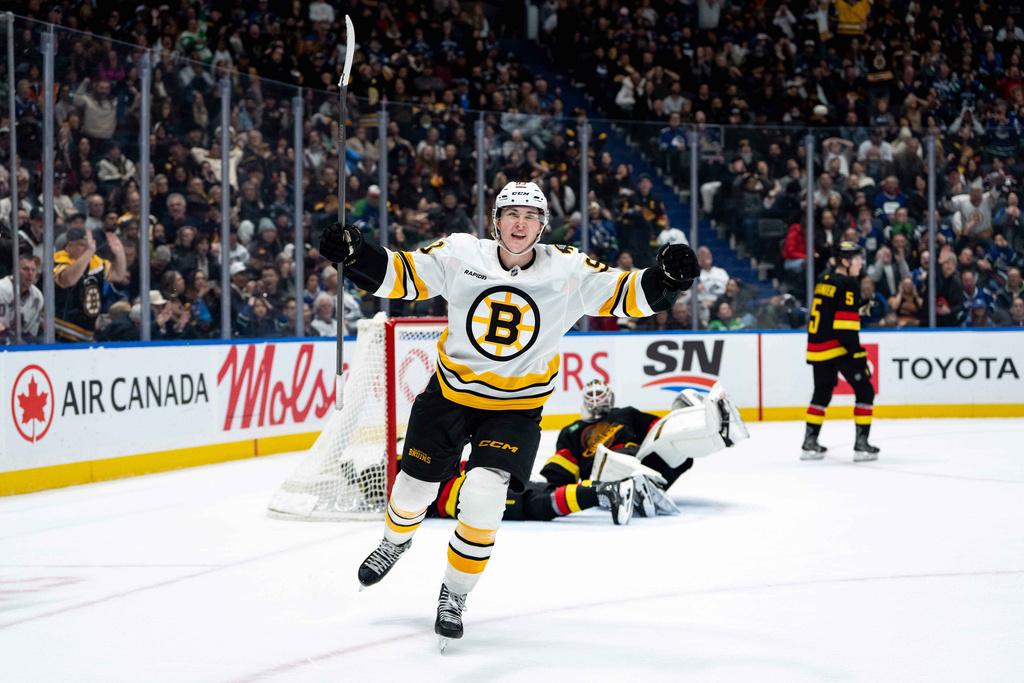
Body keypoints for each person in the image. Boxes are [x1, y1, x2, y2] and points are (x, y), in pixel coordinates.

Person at [318, 181, 698, 650]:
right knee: (412, 487)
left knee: (482, 494)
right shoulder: (461, 254)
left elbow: (627, 294)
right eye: (511, 213)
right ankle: (397, 539)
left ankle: (453, 595)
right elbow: (402, 274)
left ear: (542, 226)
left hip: (516, 408)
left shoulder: (568, 269)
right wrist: (355, 253)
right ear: (495, 221)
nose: (520, 223)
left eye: (531, 215)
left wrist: (666, 280)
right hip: (449, 395)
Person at [421, 379, 747, 525]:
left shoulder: (628, 413)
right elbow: (558, 472)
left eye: (602, 400)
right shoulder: (573, 431)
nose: (598, 405)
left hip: (641, 462)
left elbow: (662, 430)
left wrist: (685, 414)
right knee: (606, 465)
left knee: (672, 450)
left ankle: (715, 430)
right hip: (604, 470)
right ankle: (622, 489)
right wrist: (550, 484)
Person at [802, 241, 879, 462]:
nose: (860, 265)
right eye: (856, 260)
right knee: (865, 391)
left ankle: (809, 443)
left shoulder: (823, 281)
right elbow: (844, 327)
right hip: (838, 347)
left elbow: (829, 311)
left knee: (822, 392)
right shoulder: (848, 284)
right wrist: (856, 353)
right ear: (845, 262)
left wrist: (857, 306)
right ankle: (862, 445)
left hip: (817, 347)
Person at [54, 227, 127, 343]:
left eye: (91, 245)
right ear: (70, 245)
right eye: (83, 245)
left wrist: (120, 253)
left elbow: (118, 275)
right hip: (59, 333)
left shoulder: (94, 261)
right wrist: (89, 252)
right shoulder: (59, 259)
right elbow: (68, 280)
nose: (89, 248)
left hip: (85, 335)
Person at [0, 253, 44, 343]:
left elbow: (31, 334)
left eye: (33, 270)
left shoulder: (38, 296)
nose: (30, 273)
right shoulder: (2, 288)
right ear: (15, 270)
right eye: (25, 269)